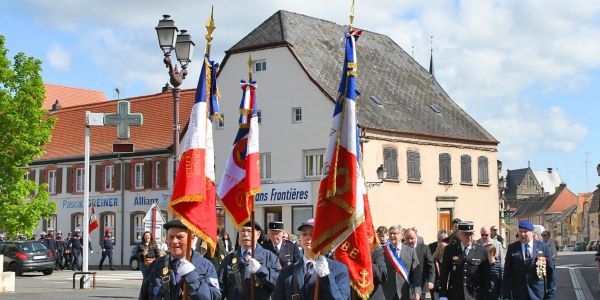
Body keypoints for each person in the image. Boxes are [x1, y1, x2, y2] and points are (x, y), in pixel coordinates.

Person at [139, 219, 221, 299]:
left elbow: (214, 297)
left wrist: (192, 278)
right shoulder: (156, 266)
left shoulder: (206, 267)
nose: (174, 241)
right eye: (171, 237)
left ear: (192, 238)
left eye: (180, 237)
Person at [272, 218, 350, 300]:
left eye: (313, 234)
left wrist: (326, 276)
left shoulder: (338, 269)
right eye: (304, 234)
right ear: (300, 239)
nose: (308, 238)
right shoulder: (287, 272)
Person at [218, 222, 280, 299]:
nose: (246, 234)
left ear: (258, 234)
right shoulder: (229, 258)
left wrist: (261, 270)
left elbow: (279, 283)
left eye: (249, 231)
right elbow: (220, 287)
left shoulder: (269, 257)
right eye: (242, 231)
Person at [502, 220, 556, 300]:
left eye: (525, 231)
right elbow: (507, 274)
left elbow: (551, 273)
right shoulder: (512, 248)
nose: (522, 234)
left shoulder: (543, 247)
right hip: (518, 294)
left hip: (538, 294)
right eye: (520, 231)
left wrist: (551, 295)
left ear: (532, 233)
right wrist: (506, 296)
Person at [439, 221, 490, 300]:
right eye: (466, 234)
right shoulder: (450, 250)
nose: (469, 237)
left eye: (471, 234)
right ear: (459, 235)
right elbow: (443, 274)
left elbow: (487, 277)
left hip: (475, 296)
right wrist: (443, 295)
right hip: (455, 295)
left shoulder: (482, 251)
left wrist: (485, 296)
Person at [380, 225, 421, 300]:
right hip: (387, 293)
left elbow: (416, 273)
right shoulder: (382, 251)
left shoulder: (410, 251)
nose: (392, 236)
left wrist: (417, 292)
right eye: (390, 233)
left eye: (395, 233)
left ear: (402, 236)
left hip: (405, 292)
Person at [405, 228, 434, 300]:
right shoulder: (402, 249)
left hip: (421, 284)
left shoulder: (424, 248)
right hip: (405, 286)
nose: (410, 241)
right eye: (407, 238)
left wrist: (431, 280)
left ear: (416, 237)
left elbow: (430, 265)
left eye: (412, 238)